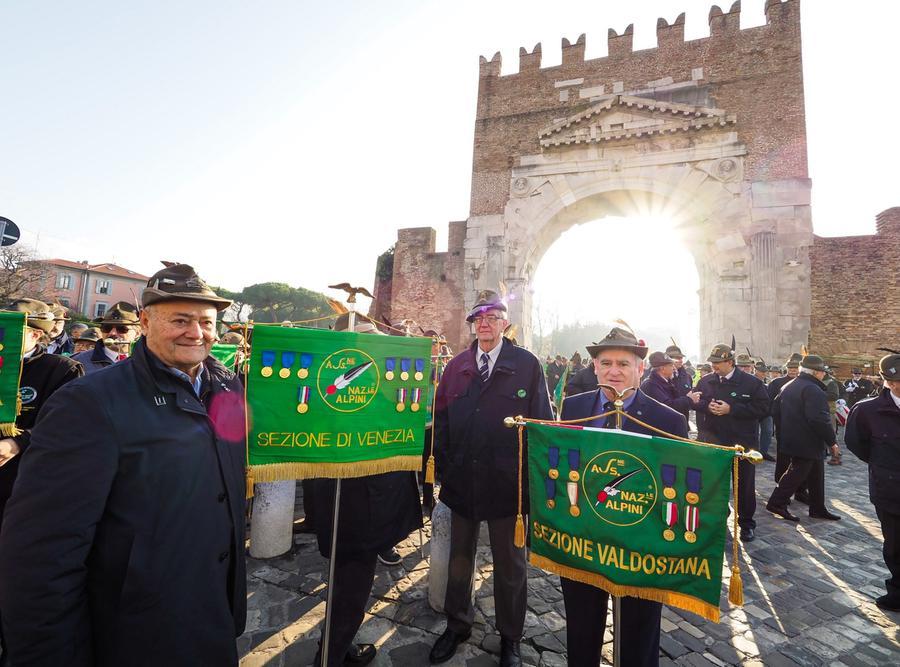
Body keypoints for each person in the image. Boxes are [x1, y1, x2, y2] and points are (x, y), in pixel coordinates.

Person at [0, 264, 247, 666]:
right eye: (180, 320)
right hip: (135, 631)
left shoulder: (226, 387)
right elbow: (42, 550)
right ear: (146, 322)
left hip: (212, 614)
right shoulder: (89, 402)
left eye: (205, 321)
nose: (196, 332)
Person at [431, 290, 552, 667]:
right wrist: (445, 469)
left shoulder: (527, 365)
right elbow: (443, 422)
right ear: (472, 324)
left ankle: (510, 637)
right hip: (463, 481)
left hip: (508, 487)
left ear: (504, 323)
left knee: (510, 566)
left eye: (492, 317)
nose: (484, 324)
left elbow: (542, 425)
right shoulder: (456, 367)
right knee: (460, 559)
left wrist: (532, 484)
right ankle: (457, 623)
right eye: (478, 318)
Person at [561, 327, 688, 667]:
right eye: (606, 363)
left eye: (623, 364)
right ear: (594, 367)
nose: (614, 371)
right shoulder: (571, 408)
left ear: (640, 369)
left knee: (639, 633)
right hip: (583, 542)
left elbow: (675, 488)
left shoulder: (668, 420)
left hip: (639, 548)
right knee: (581, 625)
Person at [311, 315, 422, 666]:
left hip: (351, 503)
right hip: (354, 505)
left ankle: (335, 647)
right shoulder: (337, 382)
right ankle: (331, 654)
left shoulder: (335, 377)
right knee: (351, 587)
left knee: (347, 584)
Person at [0, 299, 83, 529]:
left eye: (12, 328)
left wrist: (18, 443)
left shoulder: (62, 369)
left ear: (36, 335)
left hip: (24, 483)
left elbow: (67, 426)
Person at [695, 344, 769, 542]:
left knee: (744, 485)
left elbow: (763, 408)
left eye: (717, 363)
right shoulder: (705, 381)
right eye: (712, 362)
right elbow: (696, 401)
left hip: (742, 443)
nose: (714, 366)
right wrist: (707, 406)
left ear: (730, 362)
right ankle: (718, 519)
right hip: (713, 443)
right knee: (714, 484)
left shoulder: (751, 383)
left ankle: (746, 524)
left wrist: (732, 409)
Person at [845, 352, 900, 611]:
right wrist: (883, 465)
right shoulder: (867, 410)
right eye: (894, 381)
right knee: (895, 545)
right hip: (889, 489)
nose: (899, 385)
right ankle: (898, 592)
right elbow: (856, 443)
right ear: (885, 380)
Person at [765, 355, 841, 522]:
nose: (824, 375)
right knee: (796, 472)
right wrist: (832, 442)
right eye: (822, 372)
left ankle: (817, 507)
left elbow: (775, 411)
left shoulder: (788, 385)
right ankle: (777, 502)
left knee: (816, 473)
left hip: (793, 437)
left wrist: (784, 431)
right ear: (815, 372)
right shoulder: (813, 390)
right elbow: (818, 419)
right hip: (808, 440)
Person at [70, 301, 141, 373]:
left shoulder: (146, 361)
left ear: (137, 333)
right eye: (107, 328)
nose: (112, 333)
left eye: (121, 329)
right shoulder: (78, 362)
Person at [639, 351, 700, 424]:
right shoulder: (651, 385)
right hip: (659, 430)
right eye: (671, 365)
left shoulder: (665, 382)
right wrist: (689, 399)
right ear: (663, 369)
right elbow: (667, 407)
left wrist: (688, 398)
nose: (674, 368)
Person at [754, 361, 776, 462]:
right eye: (761, 371)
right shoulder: (750, 382)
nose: (763, 374)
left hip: (766, 412)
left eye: (765, 372)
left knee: (768, 431)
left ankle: (763, 452)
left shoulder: (768, 384)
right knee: (753, 433)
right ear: (756, 371)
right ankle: (753, 451)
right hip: (753, 412)